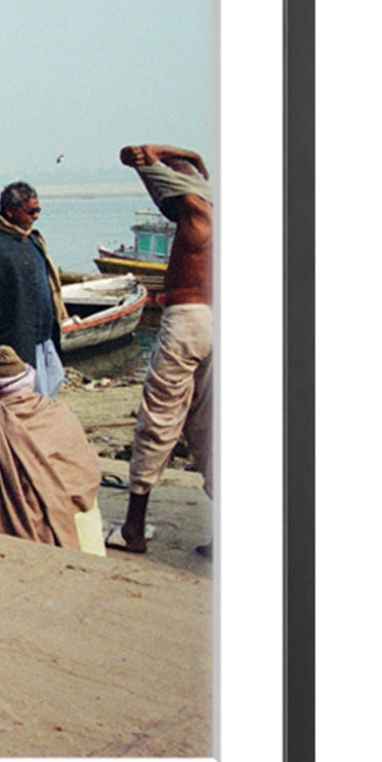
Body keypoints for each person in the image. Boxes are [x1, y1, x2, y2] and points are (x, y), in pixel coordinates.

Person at [111, 143, 215, 554]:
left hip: (186, 320)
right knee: (208, 426)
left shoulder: (195, 212)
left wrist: (170, 154)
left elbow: (133, 154)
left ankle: (133, 529)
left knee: (158, 420)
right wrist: (193, 158)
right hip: (214, 320)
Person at [0, 344, 106, 552]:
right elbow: (88, 471)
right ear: (29, 382)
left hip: (26, 530)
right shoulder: (58, 411)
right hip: (82, 525)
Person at [0, 180, 68, 396]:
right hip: (10, 333)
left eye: (38, 211)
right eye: (31, 211)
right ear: (10, 211)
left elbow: (50, 280)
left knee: (53, 379)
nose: (35, 216)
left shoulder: (34, 240)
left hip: (42, 333)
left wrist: (59, 312)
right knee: (21, 391)